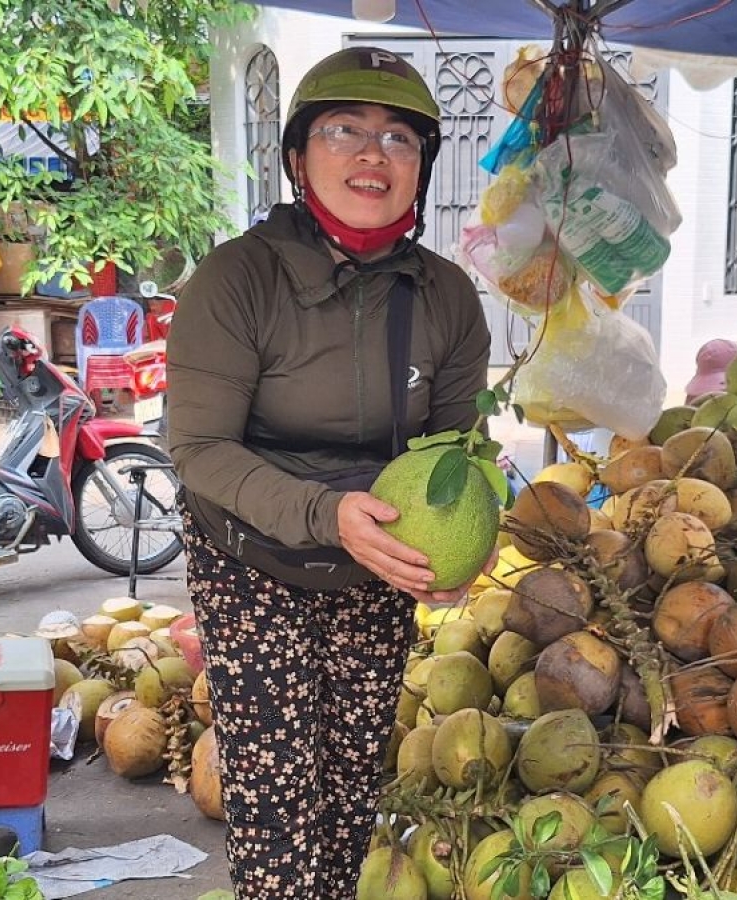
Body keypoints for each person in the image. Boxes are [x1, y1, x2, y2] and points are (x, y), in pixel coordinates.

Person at [166, 47, 492, 899]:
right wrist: (324, 512)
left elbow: (455, 456)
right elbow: (198, 450)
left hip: (374, 563)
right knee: (278, 800)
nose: (371, 156)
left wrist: (461, 549)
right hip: (249, 558)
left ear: (423, 165)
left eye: (398, 139)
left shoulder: (448, 298)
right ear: (299, 156)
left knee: (350, 785)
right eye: (343, 130)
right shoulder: (237, 280)